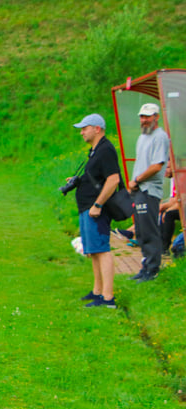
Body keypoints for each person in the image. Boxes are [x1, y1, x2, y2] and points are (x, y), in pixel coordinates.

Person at [70, 113, 122, 308]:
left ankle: (108, 298)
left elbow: (113, 179)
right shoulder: (95, 150)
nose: (82, 132)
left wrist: (98, 205)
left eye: (85, 128)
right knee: (93, 251)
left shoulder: (106, 149)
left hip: (95, 210)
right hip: (87, 207)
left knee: (102, 250)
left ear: (97, 128)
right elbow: (98, 177)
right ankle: (97, 290)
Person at [127, 102, 170, 282]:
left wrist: (137, 180)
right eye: (142, 117)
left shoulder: (160, 137)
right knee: (141, 231)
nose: (144, 120)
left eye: (148, 116)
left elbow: (156, 166)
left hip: (149, 189)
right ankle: (145, 266)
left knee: (150, 230)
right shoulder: (142, 137)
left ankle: (153, 269)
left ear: (156, 117)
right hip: (139, 189)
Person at [160, 165, 179, 254]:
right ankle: (159, 243)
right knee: (162, 211)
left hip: (183, 207)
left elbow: (181, 200)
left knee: (169, 214)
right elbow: (173, 200)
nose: (164, 170)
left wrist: (168, 209)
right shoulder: (173, 179)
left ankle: (164, 247)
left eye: (167, 167)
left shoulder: (181, 178)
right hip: (181, 206)